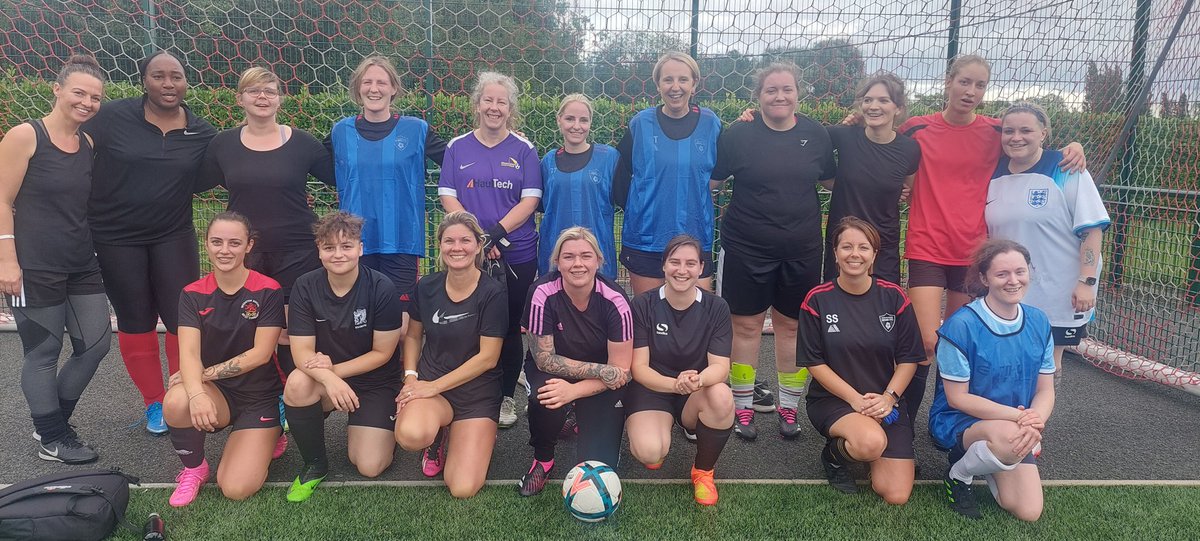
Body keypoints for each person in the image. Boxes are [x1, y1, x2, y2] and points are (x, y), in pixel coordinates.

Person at [898, 54, 1084, 430]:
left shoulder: (995, 131)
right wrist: (855, 122)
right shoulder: (916, 127)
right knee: (926, 342)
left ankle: (944, 422)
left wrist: (1074, 146)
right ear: (948, 82)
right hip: (927, 245)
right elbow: (879, 138)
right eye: (964, 82)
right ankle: (903, 426)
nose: (971, 91)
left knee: (958, 342)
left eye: (980, 85)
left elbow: (1029, 139)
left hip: (973, 253)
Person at [86, 50, 217, 435]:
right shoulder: (111, 117)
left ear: (187, 81)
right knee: (135, 318)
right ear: (143, 80)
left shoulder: (202, 132)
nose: (168, 83)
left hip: (172, 236)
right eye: (158, 76)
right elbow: (70, 151)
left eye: (176, 76)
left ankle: (182, 392)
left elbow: (210, 175)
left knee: (182, 318)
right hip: (115, 237)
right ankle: (154, 403)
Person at [712, 62, 834, 440]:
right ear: (758, 96)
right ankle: (743, 407)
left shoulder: (816, 134)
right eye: (771, 90)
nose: (779, 96)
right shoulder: (738, 134)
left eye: (787, 89)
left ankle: (788, 407)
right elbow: (713, 183)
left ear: (799, 93)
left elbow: (834, 182)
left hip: (802, 249)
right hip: (746, 248)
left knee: (792, 327)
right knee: (746, 327)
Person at [0, 55, 110, 464]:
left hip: (80, 262)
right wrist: (7, 261)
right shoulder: (25, 136)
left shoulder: (88, 144)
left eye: (95, 98)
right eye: (79, 93)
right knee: (43, 353)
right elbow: (2, 200)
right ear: (57, 89)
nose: (87, 103)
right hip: (33, 265)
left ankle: (53, 423)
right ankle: (52, 438)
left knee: (95, 345)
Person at [198, 65, 335, 378]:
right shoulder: (222, 145)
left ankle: (290, 397)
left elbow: (339, 175)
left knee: (288, 332)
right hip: (245, 252)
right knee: (247, 327)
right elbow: (193, 180)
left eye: (270, 91)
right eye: (253, 91)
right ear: (240, 98)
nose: (262, 97)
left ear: (280, 99)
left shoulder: (302, 143)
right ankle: (251, 395)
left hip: (297, 252)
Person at [438, 72, 541, 428]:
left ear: (510, 109)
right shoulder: (457, 146)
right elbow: (447, 194)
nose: (494, 107)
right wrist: (476, 237)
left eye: (502, 102)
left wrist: (493, 235)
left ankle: (506, 396)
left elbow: (530, 200)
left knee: (508, 327)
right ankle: (469, 391)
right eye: (488, 100)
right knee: (466, 323)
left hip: (516, 253)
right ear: (477, 104)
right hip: (467, 251)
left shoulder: (525, 149)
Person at [797, 217, 925, 503]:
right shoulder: (817, 299)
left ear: (874, 254)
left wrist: (889, 398)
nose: (854, 254)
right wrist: (855, 400)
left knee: (895, 494)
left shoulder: (894, 297)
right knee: (870, 443)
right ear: (835, 253)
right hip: (835, 400)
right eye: (847, 247)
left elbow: (909, 358)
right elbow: (813, 362)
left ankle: (870, 445)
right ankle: (834, 456)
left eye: (863, 247)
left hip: (884, 401)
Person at [163, 212, 286, 507]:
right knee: (177, 400)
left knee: (235, 488)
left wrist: (200, 377)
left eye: (234, 243)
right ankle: (195, 469)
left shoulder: (268, 289)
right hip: (218, 394)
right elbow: (188, 353)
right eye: (216, 242)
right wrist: (196, 394)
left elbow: (261, 354)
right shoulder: (192, 294)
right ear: (206, 244)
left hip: (259, 397)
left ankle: (273, 432)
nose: (224, 250)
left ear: (249, 245)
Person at [929, 239, 1056, 521]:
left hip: (1014, 423)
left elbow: (1046, 390)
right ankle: (959, 473)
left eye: (1020, 271)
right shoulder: (961, 326)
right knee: (1010, 440)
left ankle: (991, 458)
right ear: (984, 278)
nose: (1013, 281)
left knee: (1028, 510)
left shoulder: (1039, 321)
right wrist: (1019, 418)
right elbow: (957, 398)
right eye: (1002, 274)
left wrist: (1035, 420)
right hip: (960, 420)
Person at [282, 211, 403, 502]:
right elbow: (301, 352)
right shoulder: (305, 286)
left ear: (360, 249)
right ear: (319, 251)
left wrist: (333, 372)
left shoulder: (382, 287)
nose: (338, 254)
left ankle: (385, 426)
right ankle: (315, 465)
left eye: (346, 246)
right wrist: (330, 380)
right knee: (297, 383)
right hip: (327, 379)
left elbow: (383, 353)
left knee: (370, 466)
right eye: (329, 247)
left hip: (375, 382)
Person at [986, 102, 1110, 381]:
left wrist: (1087, 281)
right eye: (1009, 131)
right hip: (1011, 288)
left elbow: (1092, 230)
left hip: (1058, 292)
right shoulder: (993, 172)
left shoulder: (1066, 168)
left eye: (1026, 130)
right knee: (1009, 360)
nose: (1016, 137)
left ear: (1043, 133)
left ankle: (1040, 411)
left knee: (1047, 365)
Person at [328, 55, 447, 335]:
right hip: (353, 242)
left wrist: (501, 140)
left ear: (394, 88)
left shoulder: (416, 130)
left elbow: (458, 160)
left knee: (400, 329)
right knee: (358, 322)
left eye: (382, 82)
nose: (374, 89)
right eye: (367, 82)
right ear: (357, 88)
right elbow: (309, 163)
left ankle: (401, 366)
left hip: (402, 240)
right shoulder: (340, 131)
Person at [393, 211, 507, 499]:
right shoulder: (426, 286)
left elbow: (488, 358)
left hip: (476, 394)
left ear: (478, 246)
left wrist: (432, 386)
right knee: (411, 435)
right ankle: (437, 435)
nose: (457, 248)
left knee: (462, 487)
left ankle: (473, 433)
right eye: (449, 241)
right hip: (433, 389)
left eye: (465, 241)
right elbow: (413, 336)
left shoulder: (493, 292)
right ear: (440, 245)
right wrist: (411, 378)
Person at [518, 227, 633, 496]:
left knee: (598, 466)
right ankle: (543, 459)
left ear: (598, 261)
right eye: (568, 257)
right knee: (545, 396)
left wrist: (575, 390)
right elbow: (544, 359)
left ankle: (577, 415)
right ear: (557, 262)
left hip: (598, 378)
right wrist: (602, 373)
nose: (577, 263)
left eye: (586, 256)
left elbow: (623, 372)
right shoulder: (541, 292)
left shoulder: (616, 301)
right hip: (558, 369)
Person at [625, 235, 734, 506]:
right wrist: (675, 384)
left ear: (701, 268)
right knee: (650, 452)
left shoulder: (717, 307)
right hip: (653, 388)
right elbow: (639, 368)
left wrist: (696, 380)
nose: (682, 270)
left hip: (695, 390)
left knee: (721, 396)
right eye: (674, 262)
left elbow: (720, 368)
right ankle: (658, 433)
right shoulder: (643, 304)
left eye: (690, 263)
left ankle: (703, 471)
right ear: (664, 265)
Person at [613, 52, 722, 295]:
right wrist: (640, 207)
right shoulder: (641, 124)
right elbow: (620, 176)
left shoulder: (711, 124)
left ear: (694, 84)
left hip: (694, 238)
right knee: (648, 314)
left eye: (683, 79)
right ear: (657, 85)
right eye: (668, 79)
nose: (675, 87)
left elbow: (722, 169)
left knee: (696, 315)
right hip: (647, 239)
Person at [822, 72, 921, 284]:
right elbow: (800, 136)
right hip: (844, 243)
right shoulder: (843, 136)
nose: (873, 106)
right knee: (838, 300)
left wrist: (898, 191)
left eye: (883, 100)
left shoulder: (909, 149)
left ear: (898, 108)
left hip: (883, 246)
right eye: (868, 100)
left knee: (883, 302)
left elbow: (907, 190)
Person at [538, 94, 620, 280]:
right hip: (556, 255)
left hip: (597, 255)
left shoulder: (609, 158)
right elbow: (539, 205)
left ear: (591, 122)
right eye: (570, 119)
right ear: (559, 120)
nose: (577, 126)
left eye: (583, 120)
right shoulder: (547, 162)